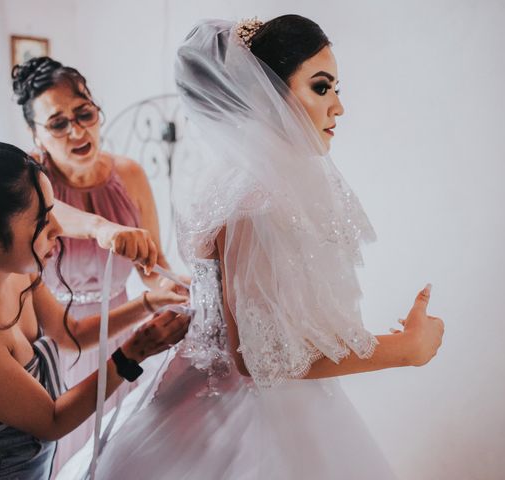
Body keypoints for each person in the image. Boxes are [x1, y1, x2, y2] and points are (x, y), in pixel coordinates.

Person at [60, 15, 445, 479]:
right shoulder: (259, 199)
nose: (338, 107)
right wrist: (408, 348)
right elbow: (260, 359)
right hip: (245, 417)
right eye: (322, 88)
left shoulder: (237, 182)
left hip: (207, 391)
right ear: (267, 95)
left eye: (336, 88)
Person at [0, 139, 190, 479]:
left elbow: (70, 335)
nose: (58, 231)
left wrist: (151, 301)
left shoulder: (15, 274)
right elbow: (52, 420)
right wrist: (136, 350)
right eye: (43, 220)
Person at [11, 57, 188, 470]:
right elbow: (53, 213)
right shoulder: (26, 179)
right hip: (59, 339)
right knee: (69, 458)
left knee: (123, 456)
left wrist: (172, 285)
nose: (77, 130)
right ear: (35, 133)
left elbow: (150, 263)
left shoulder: (130, 174)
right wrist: (100, 227)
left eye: (84, 113)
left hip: (123, 327)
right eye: (57, 123)